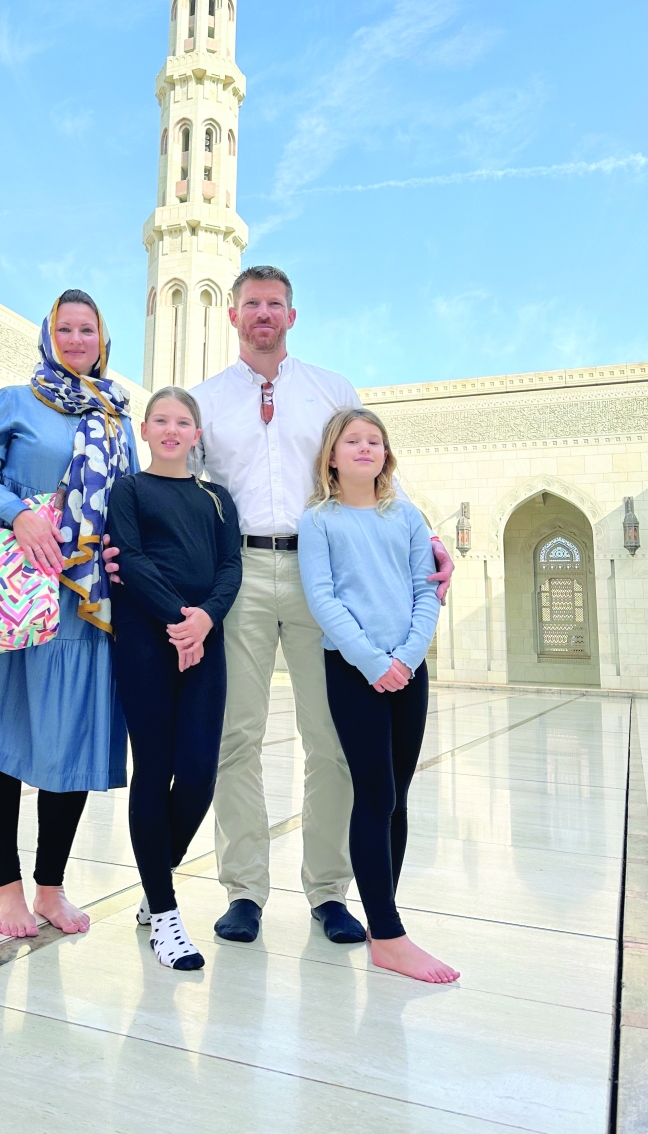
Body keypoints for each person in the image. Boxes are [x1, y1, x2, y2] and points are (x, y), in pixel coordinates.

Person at [177, 264, 453, 945]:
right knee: (237, 735)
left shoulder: (331, 389)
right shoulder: (206, 400)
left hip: (321, 574)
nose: (263, 314)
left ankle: (329, 891)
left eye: (274, 304)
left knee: (330, 740)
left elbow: (371, 469)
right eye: (251, 304)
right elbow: (184, 489)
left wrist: (427, 539)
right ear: (233, 315)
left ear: (291, 316)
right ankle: (244, 890)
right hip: (239, 571)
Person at [0, 290, 137, 939]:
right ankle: (5, 887)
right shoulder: (15, 401)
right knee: (4, 734)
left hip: (84, 600)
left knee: (69, 738)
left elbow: (127, 501)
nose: (76, 340)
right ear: (48, 337)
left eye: (86, 329)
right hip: (17, 589)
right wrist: (20, 514)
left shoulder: (116, 418)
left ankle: (50, 887)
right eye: (64, 329)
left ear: (103, 340)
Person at [299, 408, 457, 982]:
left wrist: (407, 658)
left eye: (375, 441)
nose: (365, 448)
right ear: (332, 456)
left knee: (399, 797)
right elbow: (323, 599)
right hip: (352, 670)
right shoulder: (319, 521)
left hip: (408, 671)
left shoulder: (407, 517)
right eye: (352, 441)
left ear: (386, 455)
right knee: (374, 793)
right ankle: (389, 937)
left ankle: (381, 921)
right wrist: (372, 661)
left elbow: (426, 588)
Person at [107, 388, 241, 971]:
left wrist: (204, 620)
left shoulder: (216, 499)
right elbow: (131, 560)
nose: (171, 429)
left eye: (182, 422)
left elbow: (231, 565)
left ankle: (153, 876)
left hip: (205, 641)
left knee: (199, 775)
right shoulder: (130, 490)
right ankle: (163, 914)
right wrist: (178, 622)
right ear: (144, 430)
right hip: (145, 640)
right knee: (153, 769)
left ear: (196, 434)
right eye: (160, 420)